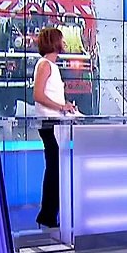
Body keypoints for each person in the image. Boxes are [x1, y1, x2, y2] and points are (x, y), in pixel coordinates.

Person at [33, 28, 78, 229]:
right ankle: (47, 216)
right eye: (62, 39)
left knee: (55, 169)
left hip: (56, 122)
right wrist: (61, 107)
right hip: (49, 124)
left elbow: (51, 95)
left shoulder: (51, 65)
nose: (65, 43)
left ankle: (49, 215)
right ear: (55, 42)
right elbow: (38, 96)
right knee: (54, 170)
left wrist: (67, 106)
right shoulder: (44, 65)